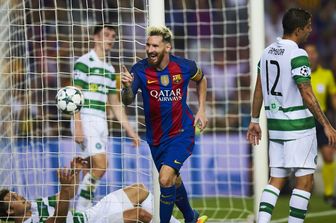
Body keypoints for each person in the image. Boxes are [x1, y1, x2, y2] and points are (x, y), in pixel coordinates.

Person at [246, 8, 336, 223]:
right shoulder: (298, 54)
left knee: (276, 179)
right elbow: (306, 91)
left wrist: (254, 120)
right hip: (299, 128)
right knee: (304, 181)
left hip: (276, 127)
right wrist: (325, 123)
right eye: (307, 27)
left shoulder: (267, 52)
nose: (310, 31)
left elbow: (259, 88)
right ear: (297, 30)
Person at [121, 26, 208, 223]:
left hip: (181, 132)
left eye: (155, 46)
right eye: (148, 45)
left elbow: (201, 80)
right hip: (156, 137)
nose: (150, 50)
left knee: (165, 178)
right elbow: (127, 100)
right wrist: (126, 88)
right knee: (173, 179)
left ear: (167, 47)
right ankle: (190, 217)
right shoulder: (139, 70)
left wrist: (202, 109)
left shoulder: (185, 66)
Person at [72, 24, 140, 211]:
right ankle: (81, 211)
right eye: (106, 35)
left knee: (91, 169)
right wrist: (77, 125)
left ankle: (83, 210)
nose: (110, 38)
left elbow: (116, 104)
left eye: (113, 36)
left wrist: (130, 131)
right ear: (95, 37)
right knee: (102, 165)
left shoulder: (110, 69)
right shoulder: (84, 62)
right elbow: (74, 95)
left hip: (102, 120)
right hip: (85, 118)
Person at [0, 158, 180, 223]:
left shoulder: (35, 205)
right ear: (9, 210)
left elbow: (68, 195)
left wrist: (76, 175)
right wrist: (64, 190)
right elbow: (58, 219)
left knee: (139, 190)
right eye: (13, 198)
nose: (19, 195)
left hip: (91, 214)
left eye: (15, 193)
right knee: (140, 214)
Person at [304, 43, 336, 207]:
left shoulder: (327, 75)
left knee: (329, 155)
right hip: (305, 119)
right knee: (305, 162)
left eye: (313, 53)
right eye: (307, 53)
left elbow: (333, 99)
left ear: (317, 56)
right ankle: (304, 195)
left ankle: (329, 193)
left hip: (322, 120)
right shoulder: (301, 74)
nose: (311, 56)